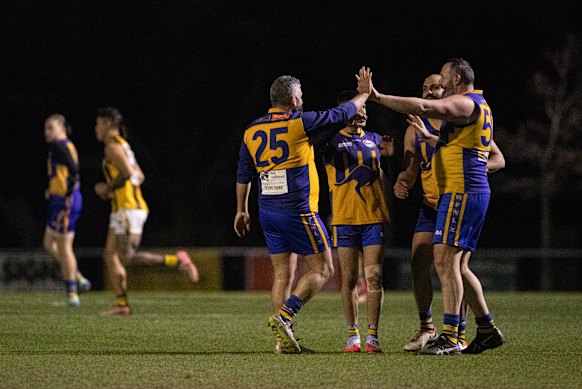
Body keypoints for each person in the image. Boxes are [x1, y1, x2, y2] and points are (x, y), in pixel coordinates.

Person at [365, 58, 506, 355]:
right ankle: (487, 328)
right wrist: (432, 139)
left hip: (460, 192)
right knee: (456, 265)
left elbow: (424, 107)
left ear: (455, 80)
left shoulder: (466, 104)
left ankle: (453, 335)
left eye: (442, 79)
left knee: (444, 261)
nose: (437, 87)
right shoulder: (477, 106)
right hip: (462, 193)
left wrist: (377, 97)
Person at [235, 69, 372, 353]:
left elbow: (243, 173)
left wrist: (241, 210)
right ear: (294, 98)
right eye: (301, 96)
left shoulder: (251, 129)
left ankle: (282, 342)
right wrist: (365, 93)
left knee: (283, 273)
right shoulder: (299, 122)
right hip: (298, 211)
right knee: (323, 269)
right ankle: (285, 316)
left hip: (267, 211)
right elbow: (340, 113)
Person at [94, 107, 200, 316]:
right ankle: (122, 304)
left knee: (128, 257)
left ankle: (178, 260)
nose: (96, 129)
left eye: (98, 124)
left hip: (128, 209)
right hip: (123, 208)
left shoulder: (112, 147)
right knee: (110, 254)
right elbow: (138, 176)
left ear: (107, 124)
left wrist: (107, 188)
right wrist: (118, 189)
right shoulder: (124, 146)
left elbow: (126, 173)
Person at [322, 89, 392, 353]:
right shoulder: (330, 142)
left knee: (374, 276)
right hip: (344, 219)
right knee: (349, 279)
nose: (362, 112)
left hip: (373, 217)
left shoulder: (377, 140)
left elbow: (391, 173)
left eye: (364, 108)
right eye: (356, 108)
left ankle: (373, 336)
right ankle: (353, 335)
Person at [43, 114, 92, 307]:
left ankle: (72, 293)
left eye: (50, 128)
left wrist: (67, 194)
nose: (46, 132)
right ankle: (77, 276)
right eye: (45, 128)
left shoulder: (59, 146)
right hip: (60, 200)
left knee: (64, 247)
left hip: (65, 202)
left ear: (62, 128)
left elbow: (73, 170)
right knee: (48, 243)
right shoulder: (63, 145)